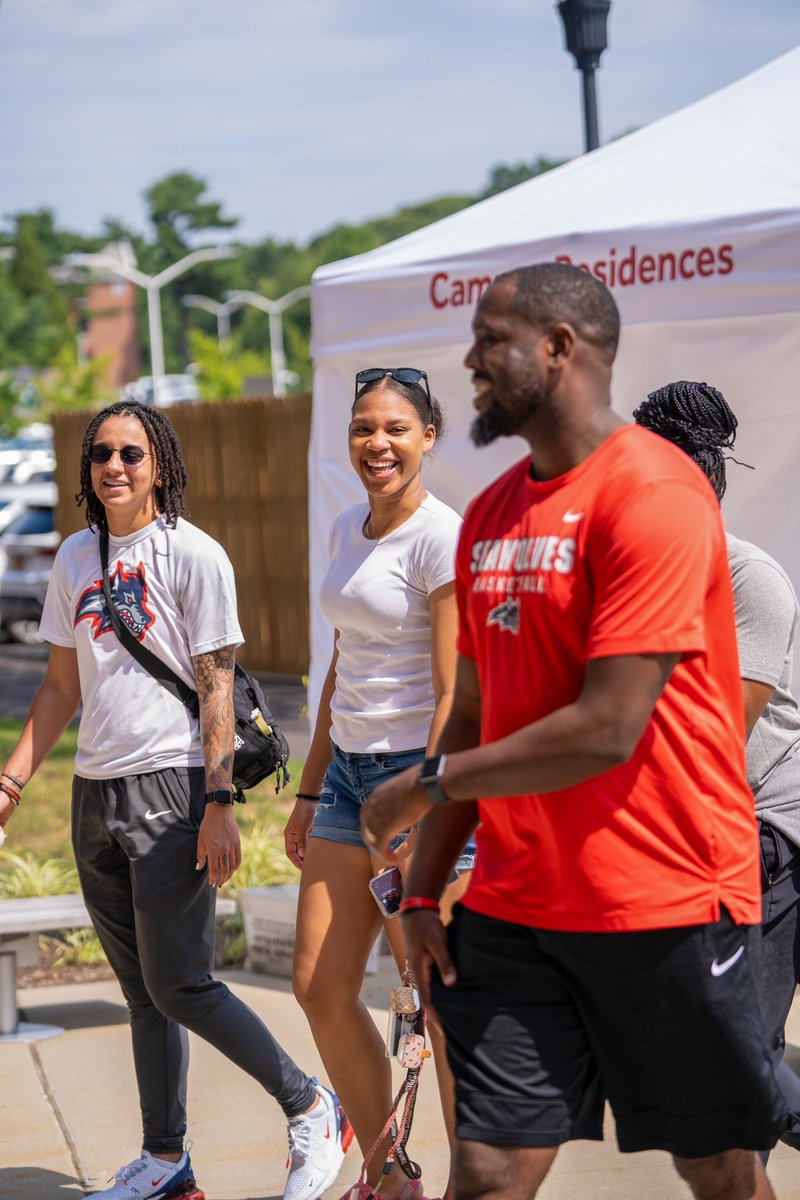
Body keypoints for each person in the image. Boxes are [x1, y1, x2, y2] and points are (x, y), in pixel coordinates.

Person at [359, 263, 788, 1200]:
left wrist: (422, 788)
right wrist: (424, 890)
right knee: (487, 1173)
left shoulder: (656, 494)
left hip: (664, 900)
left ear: (559, 348)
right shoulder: (493, 515)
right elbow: (472, 715)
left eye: (491, 339)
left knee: (719, 1168)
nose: (471, 360)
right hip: (519, 906)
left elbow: (608, 726)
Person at [0, 401, 347, 1200]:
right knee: (142, 991)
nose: (114, 466)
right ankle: (165, 1161)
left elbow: (216, 682)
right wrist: (12, 781)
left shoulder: (194, 553)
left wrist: (219, 800)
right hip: (94, 792)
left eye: (131, 453)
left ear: (159, 464)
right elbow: (59, 687)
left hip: (173, 783)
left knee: (182, 983)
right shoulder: (74, 557)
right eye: (101, 454)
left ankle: (309, 1104)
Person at [284, 367, 467, 1200]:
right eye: (363, 428)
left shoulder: (440, 537)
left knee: (437, 1007)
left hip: (411, 783)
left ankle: (478, 1187)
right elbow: (341, 667)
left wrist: (426, 804)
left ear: (428, 436)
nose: (377, 444)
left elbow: (454, 691)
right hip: (345, 782)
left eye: (395, 428)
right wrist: (308, 788)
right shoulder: (343, 528)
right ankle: (388, 1178)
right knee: (319, 986)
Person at [634, 378, 800, 1155]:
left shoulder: (744, 578)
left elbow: (716, 739)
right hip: (687, 839)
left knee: (735, 1068)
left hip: (762, 836)